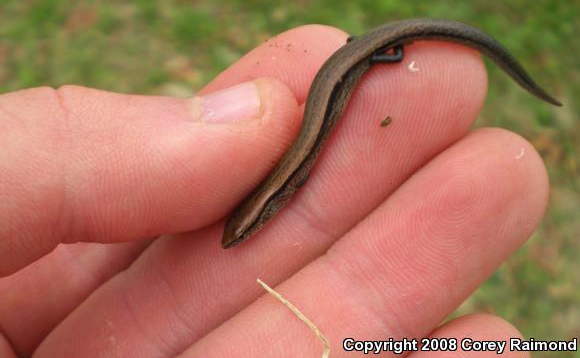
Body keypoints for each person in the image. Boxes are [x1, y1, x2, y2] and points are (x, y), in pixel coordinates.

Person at [0, 25, 549, 357]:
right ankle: (381, 52)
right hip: (352, 64)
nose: (240, 238)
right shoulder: (277, 192)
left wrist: (378, 53)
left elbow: (301, 168)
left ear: (259, 219)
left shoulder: (280, 192)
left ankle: (387, 51)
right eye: (242, 232)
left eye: (243, 232)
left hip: (354, 64)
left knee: (380, 72)